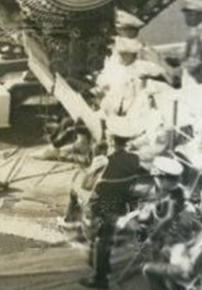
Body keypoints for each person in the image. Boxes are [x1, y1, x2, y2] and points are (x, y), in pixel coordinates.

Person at [80, 116, 149, 288]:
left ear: (110, 139)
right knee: (106, 233)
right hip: (120, 205)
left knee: (101, 237)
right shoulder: (135, 159)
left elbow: (86, 185)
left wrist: (91, 170)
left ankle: (100, 278)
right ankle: (103, 266)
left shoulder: (102, 161)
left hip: (100, 209)